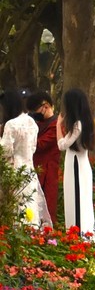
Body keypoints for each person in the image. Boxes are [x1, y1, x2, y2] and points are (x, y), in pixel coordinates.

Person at [1, 90, 49, 227]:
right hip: (29, 169)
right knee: (28, 203)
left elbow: (5, 151)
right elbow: (33, 147)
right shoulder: (32, 123)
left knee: (14, 206)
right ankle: (31, 235)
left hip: (14, 169)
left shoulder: (11, 124)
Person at [57, 88, 95, 242]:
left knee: (76, 201)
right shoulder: (84, 122)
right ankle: (83, 235)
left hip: (75, 166)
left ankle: (78, 237)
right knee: (81, 200)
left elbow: (62, 145)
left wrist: (58, 127)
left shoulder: (77, 125)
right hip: (81, 164)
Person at [25, 91, 60, 222]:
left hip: (48, 171)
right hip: (35, 167)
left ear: (45, 106)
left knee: (47, 203)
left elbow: (40, 145)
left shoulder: (56, 124)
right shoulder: (38, 123)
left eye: (36, 110)